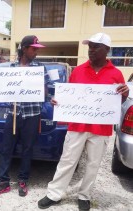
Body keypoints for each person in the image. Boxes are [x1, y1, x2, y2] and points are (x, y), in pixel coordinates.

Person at [38, 33, 129, 211]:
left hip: (101, 128)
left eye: (96, 47)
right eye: (90, 47)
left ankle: (84, 195)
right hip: (77, 126)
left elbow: (118, 102)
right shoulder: (78, 70)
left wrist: (124, 95)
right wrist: (58, 100)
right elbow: (69, 96)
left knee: (93, 164)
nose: (92, 50)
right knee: (67, 160)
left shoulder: (116, 74)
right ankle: (54, 194)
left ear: (107, 50)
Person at [0, 35, 48, 197]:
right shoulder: (10, 68)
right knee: (6, 148)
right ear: (24, 48)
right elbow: (1, 89)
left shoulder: (40, 68)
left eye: (37, 49)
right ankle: (3, 182)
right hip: (13, 113)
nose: (36, 52)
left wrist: (42, 91)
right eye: (33, 49)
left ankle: (23, 180)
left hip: (32, 114)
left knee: (27, 149)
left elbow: (45, 92)